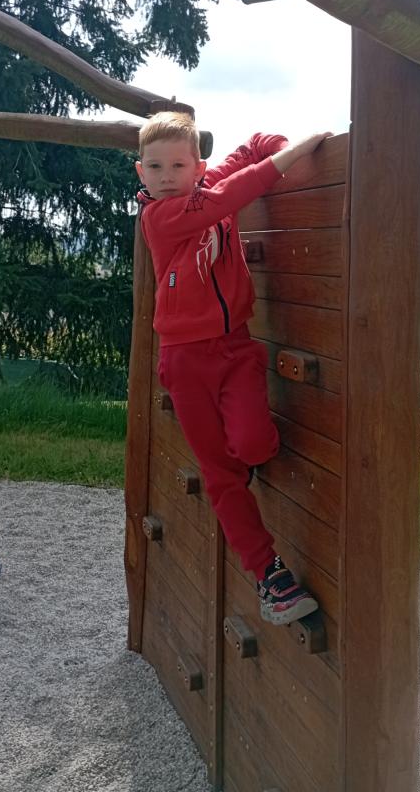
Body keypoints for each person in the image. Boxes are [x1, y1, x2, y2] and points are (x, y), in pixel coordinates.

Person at [136, 111, 332, 625]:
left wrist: (281, 145)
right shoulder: (159, 216)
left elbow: (249, 152)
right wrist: (294, 154)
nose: (166, 177)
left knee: (253, 446)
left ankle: (244, 462)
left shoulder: (205, 187)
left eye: (178, 166)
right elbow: (230, 194)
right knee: (221, 475)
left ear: (197, 167)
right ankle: (271, 578)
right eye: (155, 167)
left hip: (234, 348)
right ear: (141, 172)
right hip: (184, 361)